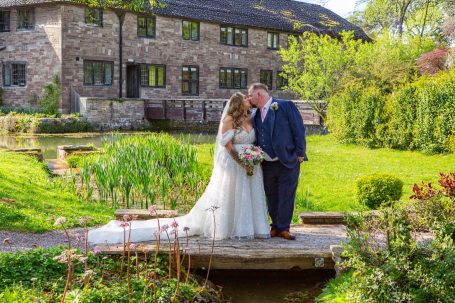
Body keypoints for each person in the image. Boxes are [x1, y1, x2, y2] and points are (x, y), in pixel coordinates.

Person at [88, 92, 270, 244]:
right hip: (234, 164)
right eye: (246, 98)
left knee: (246, 195)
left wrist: (253, 157)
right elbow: (228, 146)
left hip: (250, 165)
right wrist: (241, 163)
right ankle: (227, 227)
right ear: (239, 103)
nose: (250, 100)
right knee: (231, 195)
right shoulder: (229, 120)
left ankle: (249, 227)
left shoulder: (251, 118)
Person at [247, 83, 307, 240]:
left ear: (259, 94)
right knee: (271, 194)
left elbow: (298, 129)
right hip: (266, 163)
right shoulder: (254, 115)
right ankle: (275, 226)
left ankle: (284, 228)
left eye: (250, 95)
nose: (249, 98)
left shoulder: (285, 106)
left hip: (288, 159)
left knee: (286, 194)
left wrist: (300, 153)